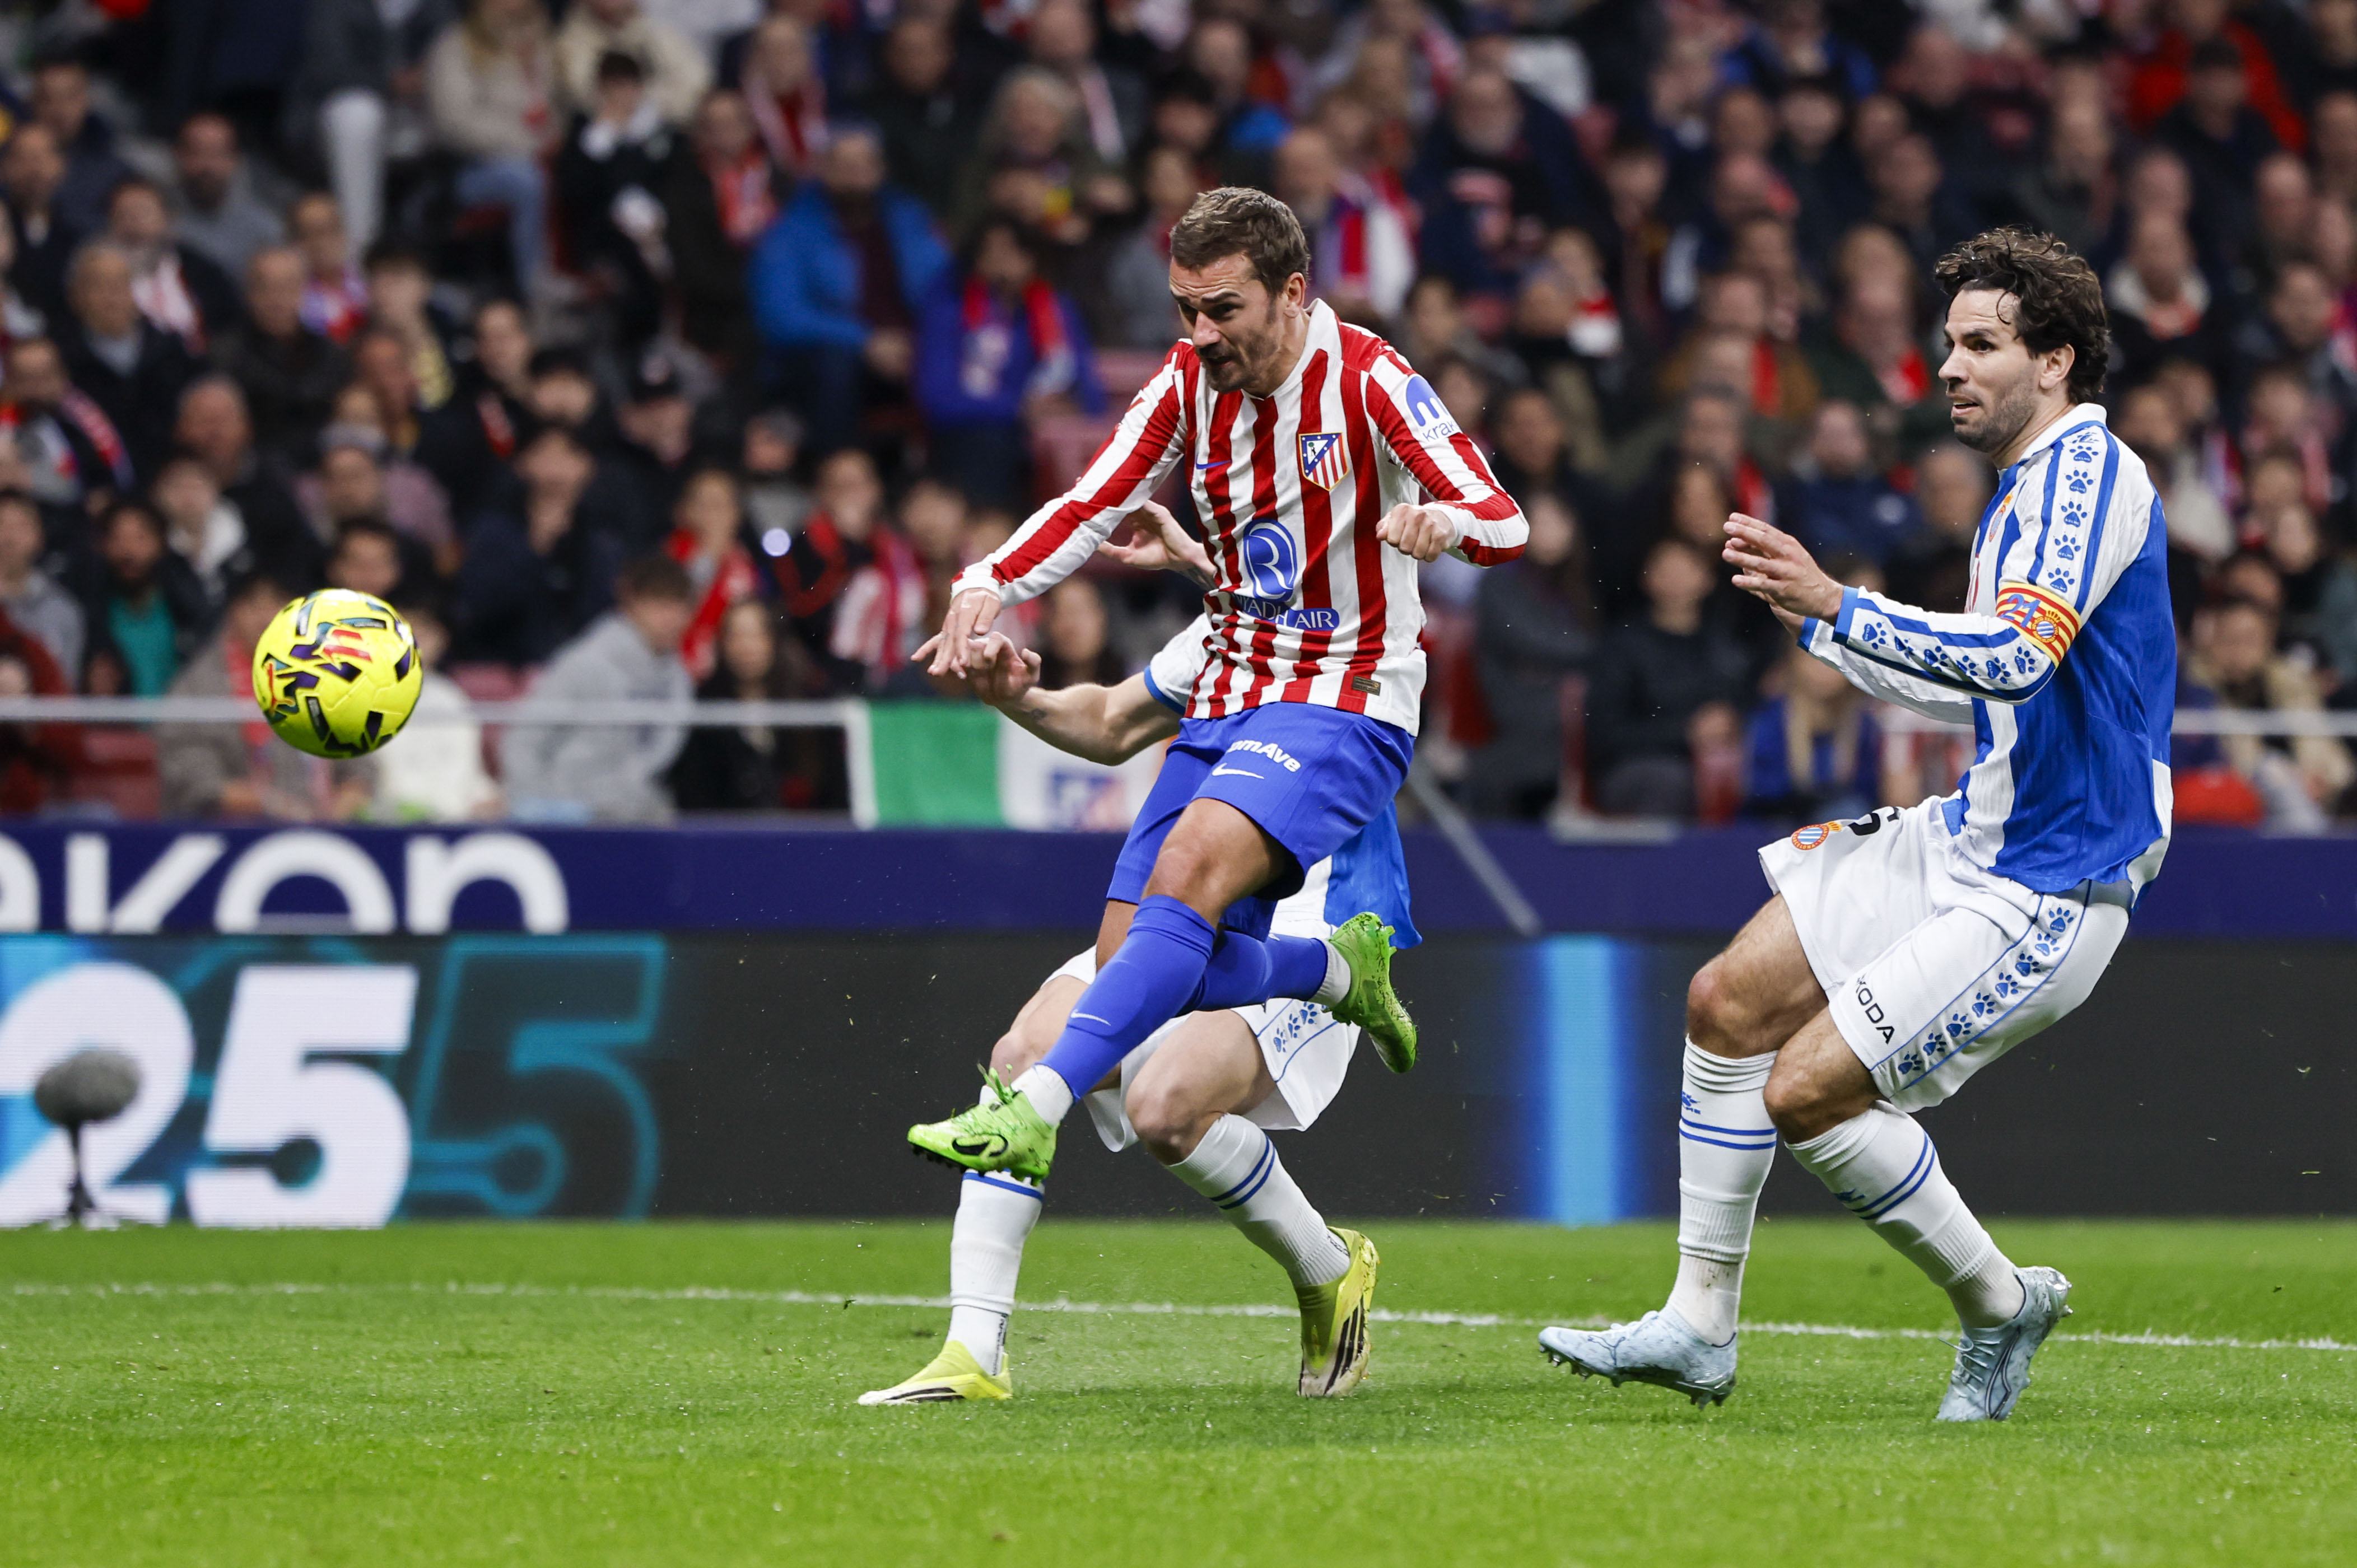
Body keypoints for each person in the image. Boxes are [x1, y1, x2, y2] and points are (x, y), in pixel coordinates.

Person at [1540, 228, 2176, 1424]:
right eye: (1947, 344)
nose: (1948, 367)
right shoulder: (2025, 490)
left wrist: (1846, 602)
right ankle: (1697, 1324)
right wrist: (1823, 625)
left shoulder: (2089, 476)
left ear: (2055, 361)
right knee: (1725, 1000)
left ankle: (1995, 1299)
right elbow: (1976, 686)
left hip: (2055, 875)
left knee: (1805, 1090)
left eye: (1980, 344)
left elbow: (2018, 656)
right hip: (1976, 832)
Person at [905, 189, 1527, 1229]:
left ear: (1292, 293)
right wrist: (985, 584)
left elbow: (1506, 522)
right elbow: (1092, 498)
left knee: (1185, 878)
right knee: (1132, 968)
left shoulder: (1372, 381)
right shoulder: (1187, 386)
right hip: (1232, 685)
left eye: (1222, 310)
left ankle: (1034, 1108)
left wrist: (1442, 522)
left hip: (1345, 689)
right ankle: (1331, 975)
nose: (1199, 335)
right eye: (1183, 309)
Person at [864, 610, 1417, 1404]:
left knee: (1166, 1108)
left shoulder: (1360, 625)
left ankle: (1326, 1267)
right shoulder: (1224, 625)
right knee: (1021, 1057)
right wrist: (1018, 699)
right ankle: (973, 1352)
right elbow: (1116, 719)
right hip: (1181, 905)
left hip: (1316, 907)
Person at [748, 124, 950, 454]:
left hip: (909, 347)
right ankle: (840, 471)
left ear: (881, 169)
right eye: (843, 164)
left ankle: (945, 490)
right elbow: (781, 315)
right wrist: (865, 341)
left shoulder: (909, 218)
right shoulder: (791, 230)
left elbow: (946, 286)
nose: (856, 174)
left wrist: (923, 339)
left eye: (865, 164)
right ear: (822, 169)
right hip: (833, 356)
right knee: (833, 368)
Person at [914, 217, 1103, 509]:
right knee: (989, 443)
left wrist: (1073, 408)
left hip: (1049, 437)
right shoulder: (950, 309)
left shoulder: (1056, 309)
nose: (1004, 261)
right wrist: (1018, 408)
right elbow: (937, 399)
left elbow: (1088, 388)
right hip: (976, 433)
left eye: (1015, 251)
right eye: (991, 251)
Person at [157, 570, 375, 820]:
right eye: (254, 606)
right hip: (230, 830)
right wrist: (270, 806)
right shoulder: (198, 686)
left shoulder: (329, 673)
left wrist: (341, 807)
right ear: (232, 611)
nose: (267, 618)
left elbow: (360, 763)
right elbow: (195, 779)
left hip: (327, 829)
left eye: (280, 605)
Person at [499, 552, 693, 823]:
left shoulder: (678, 679)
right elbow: (524, 740)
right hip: (571, 816)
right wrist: (534, 810)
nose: (670, 618)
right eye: (658, 604)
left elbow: (655, 758)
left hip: (638, 815)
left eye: (678, 606)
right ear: (631, 604)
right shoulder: (585, 662)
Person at [425, 0, 562, 302]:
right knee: (527, 181)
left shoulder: (542, 44)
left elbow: (554, 109)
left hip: (540, 154)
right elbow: (454, 123)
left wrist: (552, 136)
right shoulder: (456, 45)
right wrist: (523, 144)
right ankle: (536, 286)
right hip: (473, 168)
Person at [372, 599, 500, 821]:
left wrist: (486, 796)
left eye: (423, 634)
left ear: (441, 640)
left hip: (460, 819)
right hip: (394, 819)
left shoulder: (451, 697)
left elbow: (471, 769)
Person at [666, 597, 786, 810]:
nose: (747, 647)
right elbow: (693, 792)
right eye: (737, 636)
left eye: (758, 635)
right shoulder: (703, 708)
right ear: (723, 644)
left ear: (775, 641)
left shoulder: (805, 702)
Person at [169, 113, 285, 280]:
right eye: (197, 153)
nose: (207, 166)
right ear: (178, 156)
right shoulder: (161, 228)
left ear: (234, 160)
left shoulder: (264, 230)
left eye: (217, 154)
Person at [0, 487, 82, 678]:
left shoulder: (63, 609)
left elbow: (66, 689)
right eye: (2, 525)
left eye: (20, 527)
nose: (9, 539)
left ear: (39, 537)